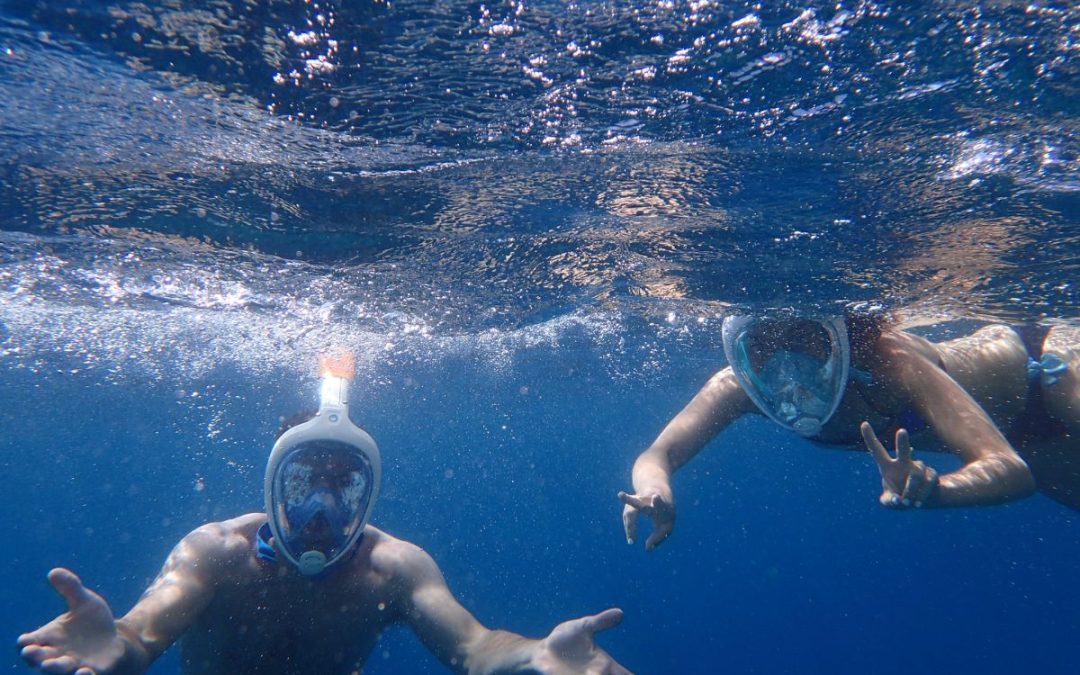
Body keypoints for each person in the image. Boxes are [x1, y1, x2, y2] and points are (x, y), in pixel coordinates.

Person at [19, 352, 632, 675]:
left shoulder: (392, 570)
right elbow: (141, 635)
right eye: (305, 485)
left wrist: (533, 656)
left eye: (343, 489)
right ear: (271, 485)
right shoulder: (215, 554)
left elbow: (475, 650)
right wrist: (116, 649)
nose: (320, 511)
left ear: (368, 494)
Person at [620, 312, 1080, 550]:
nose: (788, 368)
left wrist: (938, 489)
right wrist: (655, 492)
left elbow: (1006, 469)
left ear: (840, 335)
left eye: (802, 339)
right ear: (743, 350)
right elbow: (657, 455)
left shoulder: (893, 364)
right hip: (1032, 439)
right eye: (763, 347)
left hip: (1055, 376)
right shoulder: (739, 385)